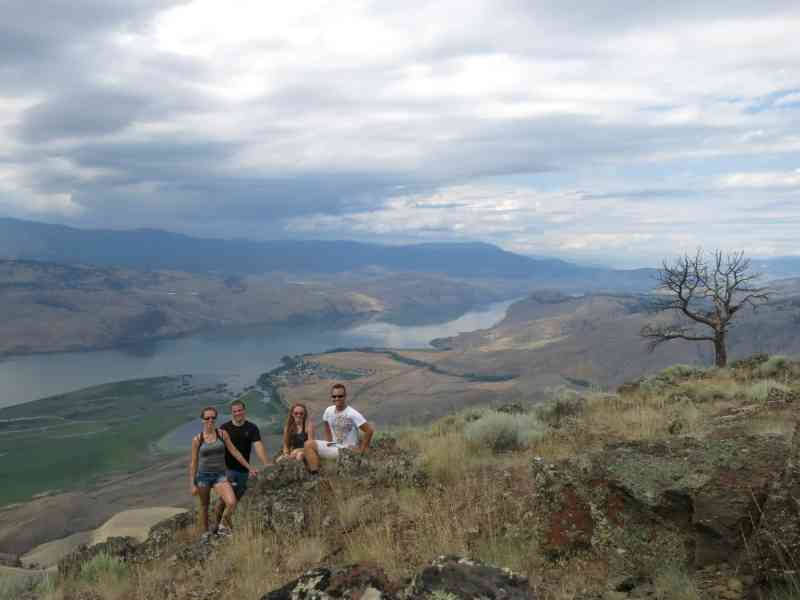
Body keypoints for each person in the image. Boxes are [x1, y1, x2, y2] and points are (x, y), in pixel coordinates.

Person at [189, 406, 257, 539]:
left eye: (213, 417)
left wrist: (249, 467)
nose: (210, 420)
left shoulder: (222, 434)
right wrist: (192, 484)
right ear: (202, 420)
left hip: (220, 476)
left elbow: (235, 452)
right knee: (204, 506)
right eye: (207, 418)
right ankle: (205, 534)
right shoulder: (197, 439)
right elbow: (193, 462)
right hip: (203, 476)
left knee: (231, 502)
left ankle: (223, 525)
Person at [213, 399, 271, 526]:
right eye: (235, 411)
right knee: (225, 500)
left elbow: (258, 446)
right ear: (231, 413)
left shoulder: (252, 428)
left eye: (240, 410)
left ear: (244, 411)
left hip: (244, 472)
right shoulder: (224, 429)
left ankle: (225, 525)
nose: (238, 413)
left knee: (235, 501)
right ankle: (216, 527)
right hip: (227, 470)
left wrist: (267, 464)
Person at [304, 383, 374, 473]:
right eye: (334, 396)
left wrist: (362, 450)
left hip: (347, 450)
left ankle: (316, 474)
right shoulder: (328, 410)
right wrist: (328, 442)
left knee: (309, 445)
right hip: (334, 445)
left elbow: (369, 430)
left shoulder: (352, 413)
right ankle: (315, 473)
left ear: (345, 396)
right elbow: (327, 426)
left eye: (340, 396)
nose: (337, 399)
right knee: (308, 444)